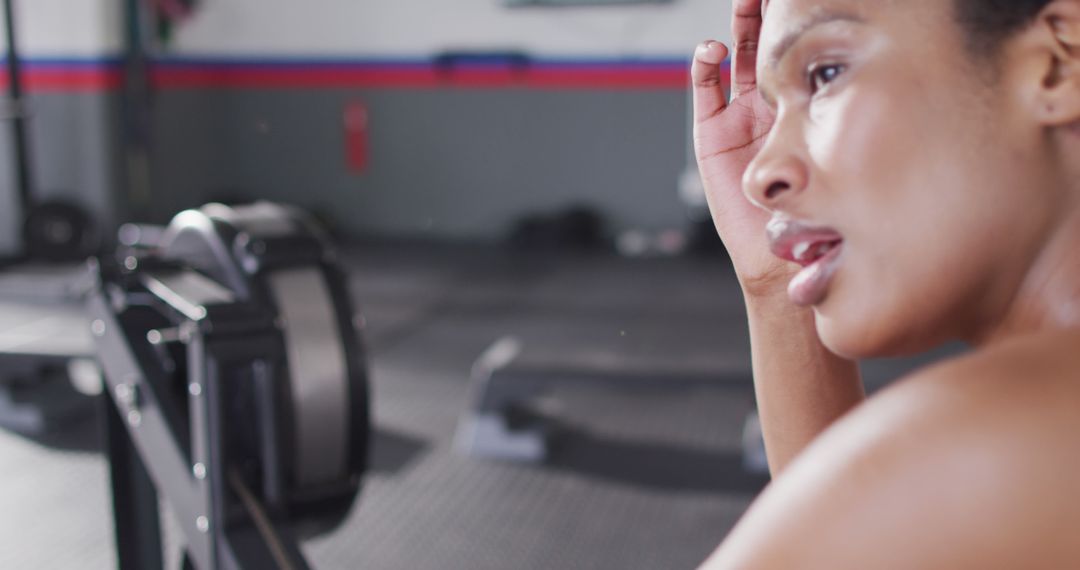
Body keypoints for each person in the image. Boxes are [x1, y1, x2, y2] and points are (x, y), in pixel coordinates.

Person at [692, 0, 1080, 567]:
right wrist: (778, 286)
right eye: (776, 110)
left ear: (1055, 64)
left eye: (825, 75)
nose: (758, 174)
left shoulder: (1000, 439)